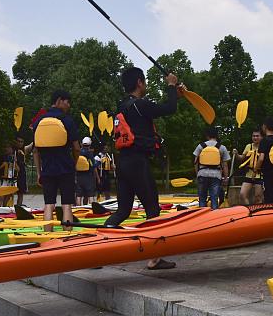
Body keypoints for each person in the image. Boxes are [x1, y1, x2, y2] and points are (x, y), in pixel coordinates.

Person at [106, 66, 179, 270]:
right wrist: (171, 85)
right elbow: (169, 109)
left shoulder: (122, 107)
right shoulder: (140, 105)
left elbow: (166, 105)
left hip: (123, 163)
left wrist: (175, 93)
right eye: (145, 81)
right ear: (139, 82)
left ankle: (100, 245)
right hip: (138, 162)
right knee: (153, 210)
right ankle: (154, 258)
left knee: (123, 210)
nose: (145, 85)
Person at [32, 90, 80, 227]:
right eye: (67, 102)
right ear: (59, 100)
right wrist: (74, 164)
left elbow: (36, 150)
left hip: (47, 170)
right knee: (66, 204)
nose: (69, 105)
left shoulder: (38, 122)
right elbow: (77, 148)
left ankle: (47, 234)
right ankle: (67, 234)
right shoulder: (67, 120)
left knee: (48, 204)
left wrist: (39, 173)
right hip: (66, 169)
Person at [193, 126, 230, 209]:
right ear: (217, 136)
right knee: (214, 199)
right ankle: (214, 218)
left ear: (207, 136)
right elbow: (225, 165)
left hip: (202, 174)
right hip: (216, 175)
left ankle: (201, 218)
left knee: (202, 199)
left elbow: (195, 162)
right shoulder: (222, 147)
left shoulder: (201, 146)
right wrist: (225, 178)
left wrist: (197, 174)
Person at [234, 129, 264, 205]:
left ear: (261, 137)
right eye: (253, 136)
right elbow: (242, 158)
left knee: (258, 197)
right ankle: (249, 209)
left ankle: (257, 213)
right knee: (242, 195)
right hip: (249, 174)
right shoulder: (248, 146)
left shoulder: (264, 146)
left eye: (257, 136)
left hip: (259, 174)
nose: (255, 138)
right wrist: (237, 154)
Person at [75, 137, 99, 205]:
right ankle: (91, 209)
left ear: (82, 144)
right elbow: (93, 165)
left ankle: (78, 210)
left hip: (78, 176)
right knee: (90, 195)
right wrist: (98, 162)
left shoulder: (78, 152)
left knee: (78, 196)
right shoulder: (89, 153)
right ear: (90, 144)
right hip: (88, 177)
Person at [14, 136, 34, 206]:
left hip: (21, 174)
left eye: (21, 142)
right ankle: (6, 207)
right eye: (18, 141)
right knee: (9, 192)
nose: (20, 143)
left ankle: (19, 206)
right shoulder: (12, 150)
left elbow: (32, 144)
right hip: (13, 174)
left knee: (21, 192)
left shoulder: (24, 150)